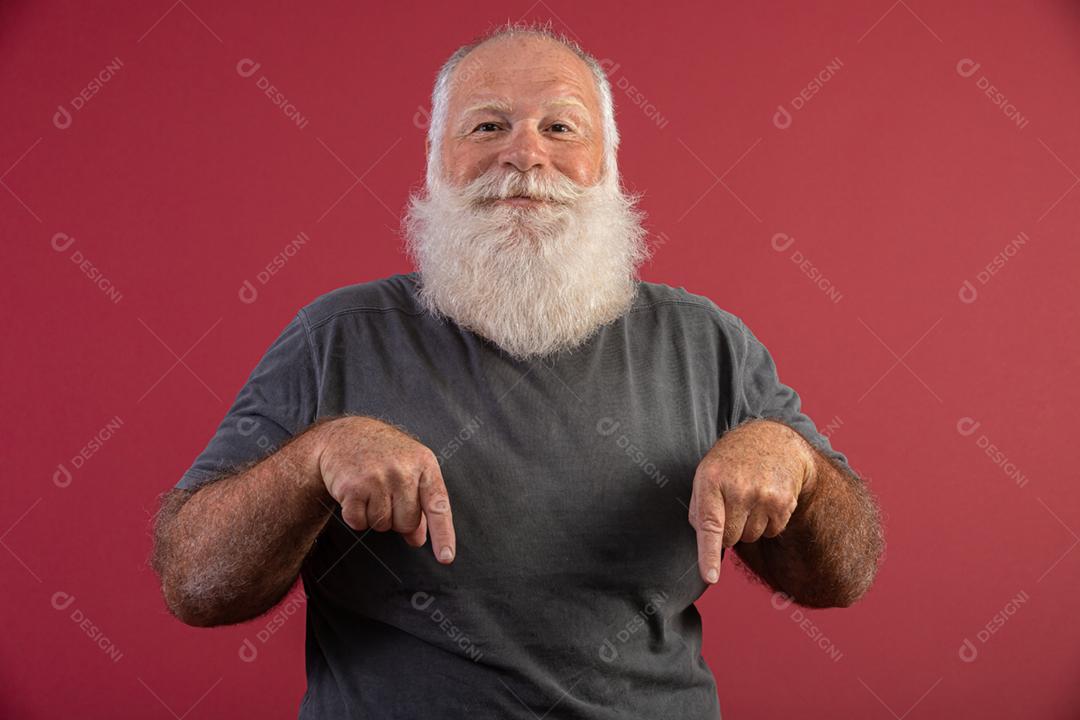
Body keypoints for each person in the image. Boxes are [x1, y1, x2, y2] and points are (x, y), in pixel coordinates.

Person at [151, 21, 884, 719]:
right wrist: (314, 460)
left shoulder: (706, 342)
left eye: (560, 127)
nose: (524, 156)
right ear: (435, 161)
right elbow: (194, 583)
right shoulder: (335, 337)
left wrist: (797, 465)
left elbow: (844, 576)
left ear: (608, 165)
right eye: (487, 126)